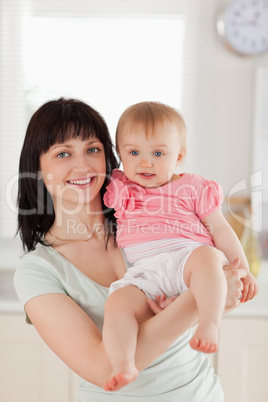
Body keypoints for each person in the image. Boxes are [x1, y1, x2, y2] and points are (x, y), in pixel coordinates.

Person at [14, 97, 251, 402]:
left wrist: (206, 296)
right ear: (37, 168)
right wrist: (192, 304)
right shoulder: (38, 269)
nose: (83, 165)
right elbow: (103, 368)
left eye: (92, 149)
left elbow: (229, 288)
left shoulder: (151, 226)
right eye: (63, 153)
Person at [102, 101, 258, 391]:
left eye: (158, 153)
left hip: (188, 258)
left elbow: (221, 229)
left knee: (208, 257)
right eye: (133, 153)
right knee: (117, 303)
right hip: (146, 271)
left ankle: (209, 323)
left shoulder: (191, 187)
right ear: (120, 154)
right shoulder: (120, 186)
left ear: (179, 157)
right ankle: (123, 363)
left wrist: (244, 269)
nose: (145, 162)